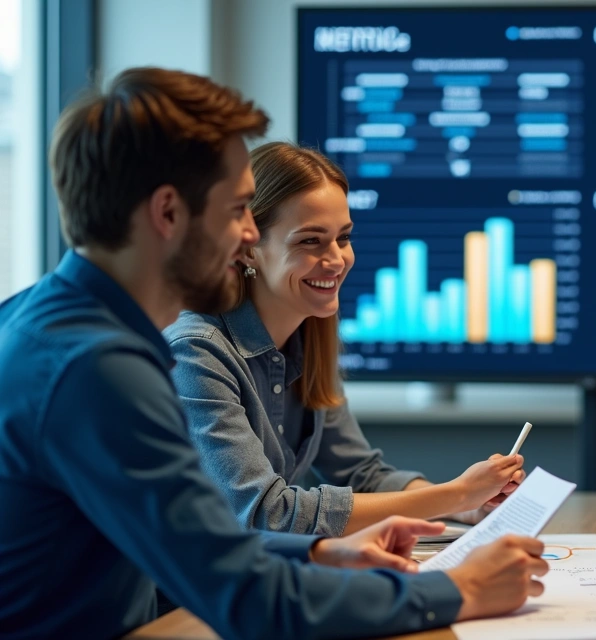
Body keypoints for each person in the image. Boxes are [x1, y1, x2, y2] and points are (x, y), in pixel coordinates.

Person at [0, 67, 547, 639]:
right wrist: (457, 589)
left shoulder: (47, 322)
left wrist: (314, 556)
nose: (246, 236)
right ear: (167, 214)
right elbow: (246, 597)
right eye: (238, 209)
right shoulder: (97, 370)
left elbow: (201, 547)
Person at [164, 142, 522, 537]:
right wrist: (453, 496)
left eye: (344, 238)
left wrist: (468, 508)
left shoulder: (309, 337)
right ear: (248, 249)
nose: (336, 260)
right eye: (309, 241)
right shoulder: (196, 353)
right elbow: (265, 513)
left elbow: (362, 475)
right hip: (183, 598)